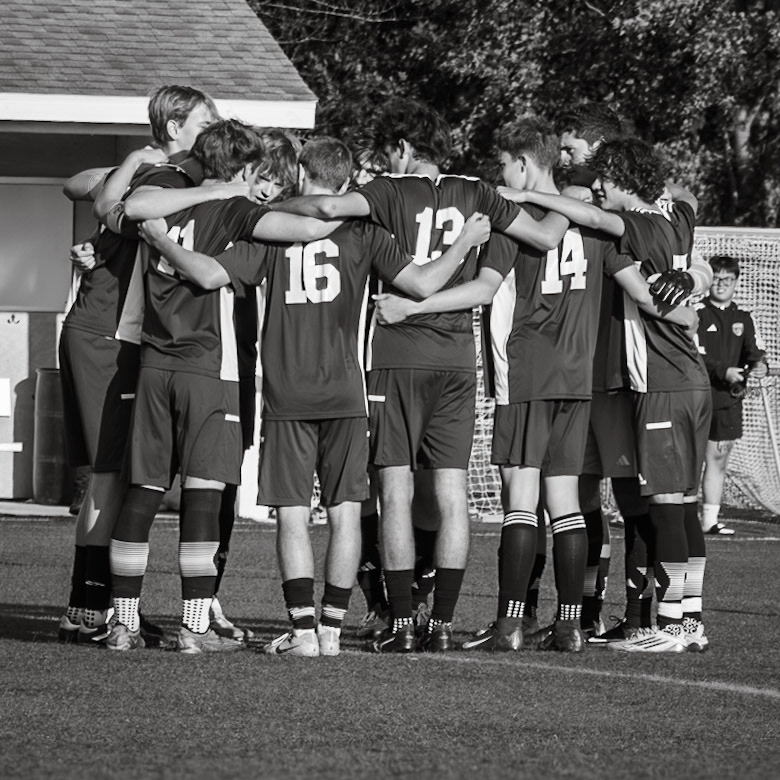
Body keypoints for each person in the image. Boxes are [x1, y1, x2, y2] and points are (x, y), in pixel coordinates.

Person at [137, 136, 490, 657]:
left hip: (287, 394)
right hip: (347, 392)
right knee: (346, 511)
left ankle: (302, 631)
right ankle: (331, 629)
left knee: (293, 514)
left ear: (302, 175)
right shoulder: (366, 231)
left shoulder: (272, 229)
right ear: (347, 182)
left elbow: (208, 274)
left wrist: (159, 240)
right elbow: (421, 284)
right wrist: (461, 245)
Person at [375, 117, 697, 652]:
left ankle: (509, 625)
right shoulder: (595, 224)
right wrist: (690, 298)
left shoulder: (513, 223)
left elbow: (483, 290)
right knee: (565, 503)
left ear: (524, 165)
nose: (499, 175)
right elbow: (642, 284)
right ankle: (571, 625)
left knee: (520, 501)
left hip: (524, 372)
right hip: (578, 378)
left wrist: (413, 306)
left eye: (504, 165)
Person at [274, 99, 570, 653]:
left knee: (395, 489)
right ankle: (443, 624)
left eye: (389, 151)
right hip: (457, 358)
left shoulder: (389, 190)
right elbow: (547, 238)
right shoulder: (480, 192)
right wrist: (553, 196)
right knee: (453, 493)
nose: (387, 161)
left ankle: (403, 623)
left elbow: (327, 206)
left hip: (397, 353)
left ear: (405, 148)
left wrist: (271, 203)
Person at [103, 120, 343, 653]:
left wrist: (161, 232)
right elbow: (307, 230)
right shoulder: (236, 211)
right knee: (204, 497)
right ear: (245, 167)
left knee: (141, 494)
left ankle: (123, 623)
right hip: (211, 368)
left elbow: (119, 206)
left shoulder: (164, 202)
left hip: (154, 365)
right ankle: (194, 628)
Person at [509, 137, 712, 653]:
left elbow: (600, 224)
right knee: (682, 505)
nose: (596, 185)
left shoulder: (636, 224)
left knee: (666, 507)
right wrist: (695, 283)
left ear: (623, 177)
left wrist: (524, 197)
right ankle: (688, 620)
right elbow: (688, 206)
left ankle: (669, 626)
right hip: (690, 378)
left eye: (605, 177)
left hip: (661, 379)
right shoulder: (677, 218)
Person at [57, 84, 219, 645]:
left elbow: (82, 187)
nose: (213, 131)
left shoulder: (166, 175)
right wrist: (129, 164)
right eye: (204, 123)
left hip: (110, 334)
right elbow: (91, 194)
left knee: (113, 475)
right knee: (109, 476)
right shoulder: (161, 178)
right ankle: (89, 608)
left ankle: (92, 606)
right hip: (107, 335)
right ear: (174, 128)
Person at [697, 255, 767, 535]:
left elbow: (755, 352)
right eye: (716, 278)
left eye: (728, 279)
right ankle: (682, 517)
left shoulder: (744, 318)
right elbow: (694, 355)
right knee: (690, 459)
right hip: (697, 399)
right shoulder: (697, 313)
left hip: (728, 402)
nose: (722, 284)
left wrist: (760, 366)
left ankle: (709, 520)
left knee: (717, 459)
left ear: (736, 281)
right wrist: (723, 371)